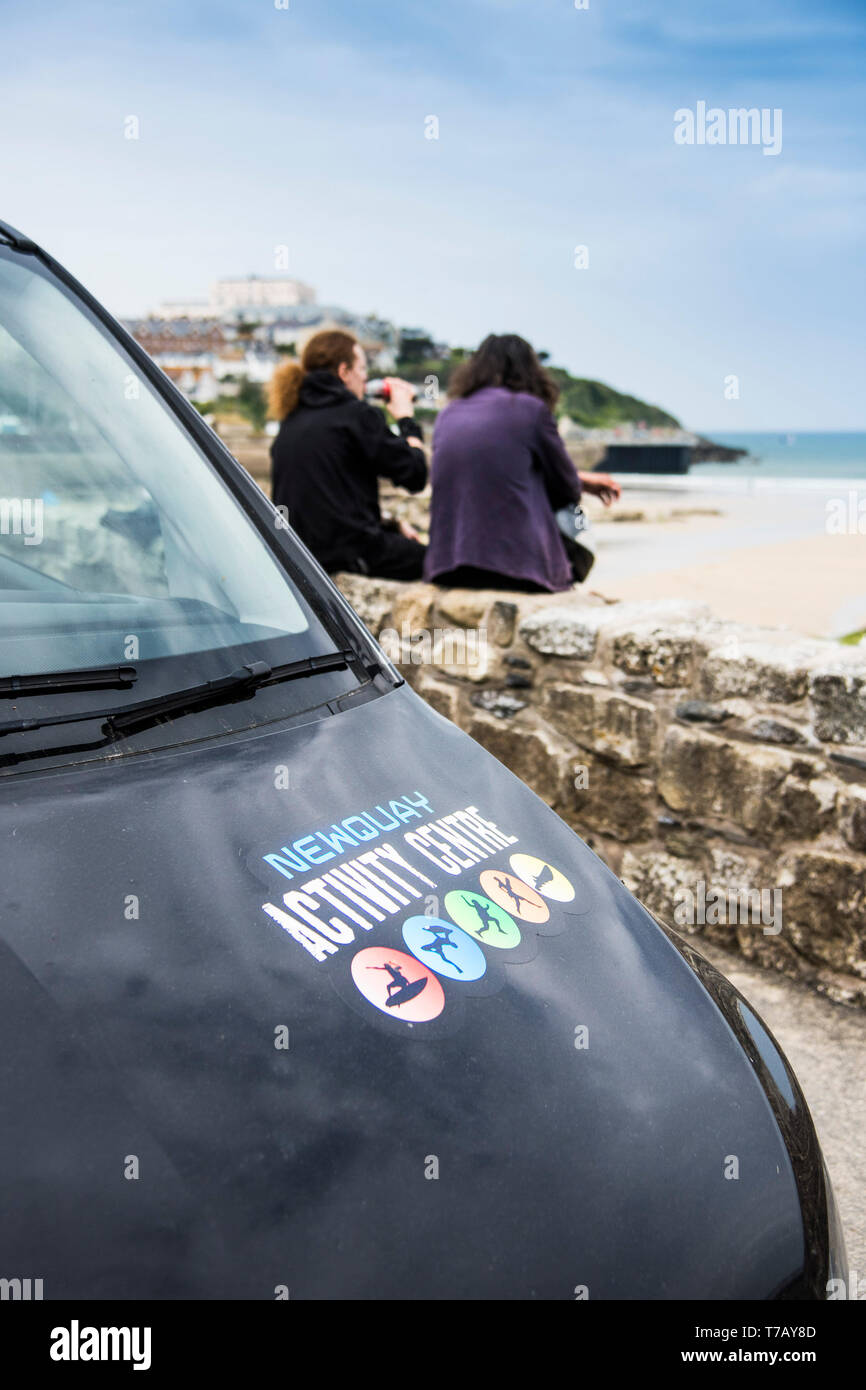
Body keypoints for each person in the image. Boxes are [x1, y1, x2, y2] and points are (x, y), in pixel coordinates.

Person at [423, 333, 621, 592]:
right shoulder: (531, 410)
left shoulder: (448, 414)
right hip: (516, 568)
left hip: (447, 566)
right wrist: (579, 482)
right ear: (530, 370)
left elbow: (489, 469)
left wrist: (582, 479)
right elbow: (567, 489)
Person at [269, 330, 427, 579]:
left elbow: (330, 507)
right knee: (436, 561)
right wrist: (406, 419)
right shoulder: (356, 415)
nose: (366, 379)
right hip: (351, 555)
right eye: (362, 369)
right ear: (344, 372)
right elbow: (415, 475)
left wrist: (391, 524)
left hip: (302, 557)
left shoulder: (291, 422)